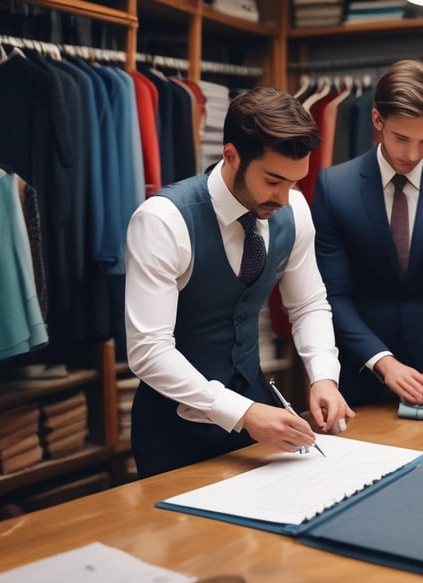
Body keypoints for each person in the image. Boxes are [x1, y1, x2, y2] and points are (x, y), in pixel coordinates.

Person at [125, 86, 355, 478]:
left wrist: (323, 377)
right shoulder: (163, 220)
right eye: (273, 180)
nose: (284, 197)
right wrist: (243, 412)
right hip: (175, 432)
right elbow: (148, 351)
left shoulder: (294, 208)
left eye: (295, 182)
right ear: (231, 155)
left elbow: (308, 304)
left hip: (259, 424)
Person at [311, 59, 423, 408]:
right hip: (358, 371)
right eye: (401, 138)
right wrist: (382, 361)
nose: (412, 154)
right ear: (377, 120)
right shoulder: (335, 187)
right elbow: (332, 295)